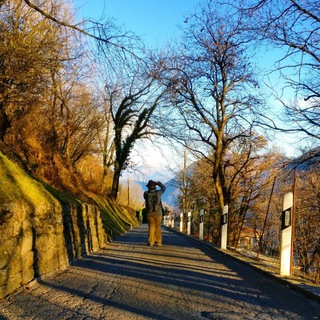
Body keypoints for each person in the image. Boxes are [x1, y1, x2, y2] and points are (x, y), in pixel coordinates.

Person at [144, 180, 166, 246]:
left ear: (148, 187)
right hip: (158, 212)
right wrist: (158, 183)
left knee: (151, 226)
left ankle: (151, 242)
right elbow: (164, 188)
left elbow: (145, 199)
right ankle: (158, 242)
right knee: (158, 227)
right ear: (155, 186)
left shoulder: (146, 193)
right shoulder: (159, 192)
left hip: (149, 213)